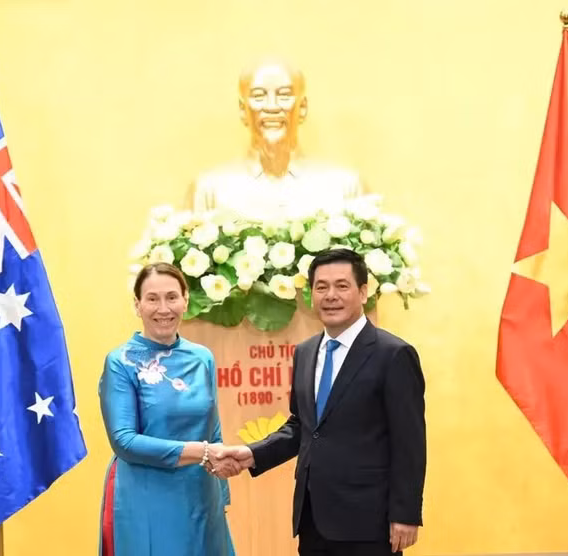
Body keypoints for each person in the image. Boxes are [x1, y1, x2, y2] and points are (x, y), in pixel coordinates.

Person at [217, 249, 427, 555]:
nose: (331, 295)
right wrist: (251, 453)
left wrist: (405, 514)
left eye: (342, 286)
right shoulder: (305, 352)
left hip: (370, 522)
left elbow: (410, 442)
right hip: (313, 518)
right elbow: (302, 426)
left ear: (364, 292)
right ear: (311, 293)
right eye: (321, 287)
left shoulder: (393, 354)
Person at [98, 262, 237, 556]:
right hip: (146, 495)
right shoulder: (120, 362)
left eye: (172, 297)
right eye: (152, 299)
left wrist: (220, 495)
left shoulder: (202, 357)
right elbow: (124, 441)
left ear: (186, 300)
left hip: (202, 493)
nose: (164, 308)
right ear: (137, 305)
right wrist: (202, 452)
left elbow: (212, 428)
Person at [188, 59, 364, 222]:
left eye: (284, 95)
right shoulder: (212, 188)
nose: (271, 107)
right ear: (243, 110)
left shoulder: (343, 185)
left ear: (302, 108)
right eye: (258, 96)